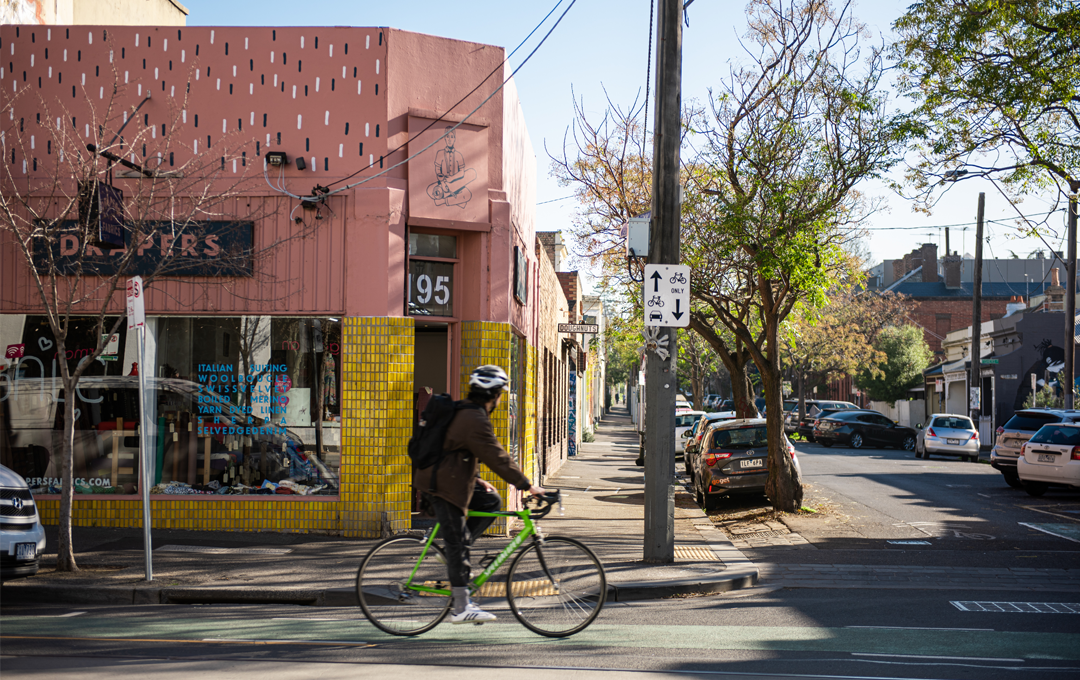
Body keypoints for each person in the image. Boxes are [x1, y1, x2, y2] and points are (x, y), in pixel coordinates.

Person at [413, 365, 545, 624]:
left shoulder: (470, 413)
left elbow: (455, 452)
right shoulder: (473, 419)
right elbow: (497, 457)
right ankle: (461, 607)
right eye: (500, 395)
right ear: (494, 395)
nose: (499, 399)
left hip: (450, 476)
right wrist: (527, 485)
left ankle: (457, 554)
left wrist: (477, 479)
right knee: (458, 539)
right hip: (441, 485)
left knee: (490, 501)